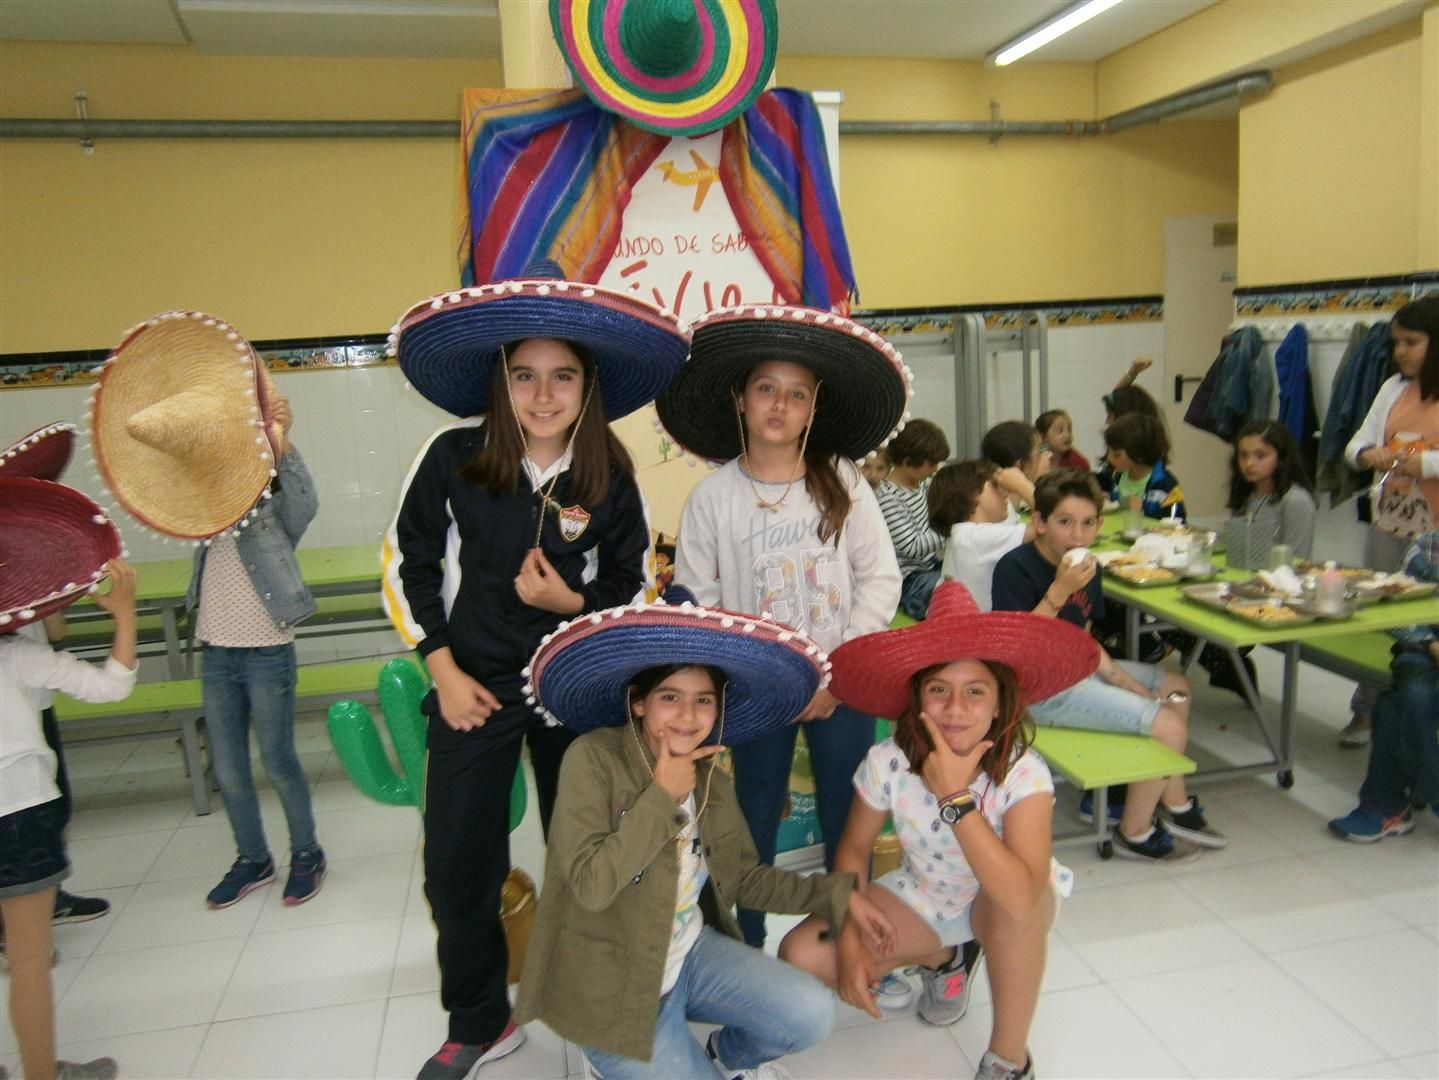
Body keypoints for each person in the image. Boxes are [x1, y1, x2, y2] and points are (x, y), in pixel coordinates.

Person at [384, 278, 689, 1079]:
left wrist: (571, 602)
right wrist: (442, 669)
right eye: (525, 374)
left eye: (563, 376)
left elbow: (636, 588)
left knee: (592, 855)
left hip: (573, 690)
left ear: (587, 385)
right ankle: (480, 1020)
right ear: (501, 380)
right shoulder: (452, 457)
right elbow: (404, 565)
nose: (543, 393)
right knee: (456, 864)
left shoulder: (608, 471)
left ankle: (596, 1011)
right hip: (470, 689)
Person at [516, 594, 894, 1080]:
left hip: (688, 956)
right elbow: (589, 884)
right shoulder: (592, 760)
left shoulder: (712, 778)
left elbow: (747, 880)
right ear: (638, 701)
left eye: (704, 701)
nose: (687, 717)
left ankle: (725, 1057)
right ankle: (605, 1059)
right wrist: (661, 797)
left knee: (810, 1014)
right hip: (611, 989)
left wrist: (838, 894)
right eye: (669, 697)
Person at [779, 581, 1099, 1080]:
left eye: (975, 692)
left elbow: (1019, 893)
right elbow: (852, 851)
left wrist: (955, 798)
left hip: (1008, 900)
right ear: (918, 701)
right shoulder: (888, 760)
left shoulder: (1022, 771)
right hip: (927, 892)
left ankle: (1009, 1059)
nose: (955, 708)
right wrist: (846, 944)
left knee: (1014, 906)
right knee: (800, 952)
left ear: (1000, 704)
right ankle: (945, 956)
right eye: (939, 690)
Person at [659, 304, 905, 949]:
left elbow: (879, 578)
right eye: (766, 388)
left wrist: (835, 670)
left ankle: (842, 933)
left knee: (847, 813)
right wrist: (764, 682)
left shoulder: (842, 481)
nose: (779, 405)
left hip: (842, 685)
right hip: (755, 692)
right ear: (740, 399)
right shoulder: (713, 498)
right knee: (752, 816)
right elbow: (702, 606)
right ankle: (748, 939)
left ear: (812, 407)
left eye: (796, 394)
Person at [991, 469, 1222, 860]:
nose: (1077, 535)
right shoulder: (1015, 568)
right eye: (1064, 522)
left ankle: (1175, 804)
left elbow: (1083, 639)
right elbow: (1016, 654)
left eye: (1087, 524)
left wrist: (1124, 681)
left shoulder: (1089, 567)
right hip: (1036, 690)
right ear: (1040, 522)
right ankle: (1134, 832)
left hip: (1075, 673)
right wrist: (1059, 592)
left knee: (1176, 689)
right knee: (1166, 725)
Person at [1, 477, 134, 1080]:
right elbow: (110, 684)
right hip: (21, 807)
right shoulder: (15, 655)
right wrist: (124, 615)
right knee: (28, 961)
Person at [190, 393, 328, 910]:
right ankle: (253, 859)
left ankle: (307, 853)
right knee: (227, 768)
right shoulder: (207, 516)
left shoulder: (273, 515)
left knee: (278, 760)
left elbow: (305, 500)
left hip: (266, 650)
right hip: (217, 653)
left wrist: (280, 443)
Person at [0, 422, 110, 932]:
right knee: (27, 807)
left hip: (34, 696)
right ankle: (18, 919)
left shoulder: (22, 564)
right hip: (18, 699)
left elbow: (58, 629)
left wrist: (55, 568)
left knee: (51, 798)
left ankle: (46, 895)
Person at [1339, 296, 1439, 746]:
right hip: (1390, 522)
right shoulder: (1393, 388)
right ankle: (1367, 710)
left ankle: (1417, 716)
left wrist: (1429, 466)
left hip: (1433, 533)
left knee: (1425, 625)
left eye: (1412, 342)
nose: (1401, 351)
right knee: (1378, 616)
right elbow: (1355, 442)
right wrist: (1366, 454)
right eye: (1397, 342)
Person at [1328, 529, 1439, 842]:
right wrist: (1430, 643)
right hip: (1424, 653)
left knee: (1395, 705)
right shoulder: (1428, 546)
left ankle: (1385, 807)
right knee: (1411, 694)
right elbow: (1396, 609)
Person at [928, 460, 1035, 611]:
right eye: (995, 485)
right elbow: (1047, 527)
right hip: (978, 630)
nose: (1005, 492)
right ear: (973, 495)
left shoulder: (963, 534)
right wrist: (1022, 485)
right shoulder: (975, 538)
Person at [875, 418, 951, 618]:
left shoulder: (923, 484)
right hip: (909, 579)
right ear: (909, 461)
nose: (935, 469)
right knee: (946, 596)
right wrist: (951, 527)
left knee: (963, 582)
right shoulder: (888, 498)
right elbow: (914, 547)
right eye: (931, 463)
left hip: (931, 565)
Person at [1226, 420, 1318, 561]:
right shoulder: (1245, 493)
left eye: (1261, 456)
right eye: (1243, 455)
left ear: (1281, 458)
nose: (1249, 464)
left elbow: (1296, 560)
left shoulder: (1296, 500)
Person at [1100, 413, 1185, 520]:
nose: (1109, 458)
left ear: (1139, 455)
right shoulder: (1118, 476)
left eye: (1117, 454)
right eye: (1108, 451)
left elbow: (1177, 523)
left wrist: (1142, 511)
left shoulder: (1166, 486)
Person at [980, 421, 1050, 515]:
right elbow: (1052, 522)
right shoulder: (1000, 514)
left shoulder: (1021, 505)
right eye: (1041, 450)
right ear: (1019, 466)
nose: (1049, 455)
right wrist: (1024, 487)